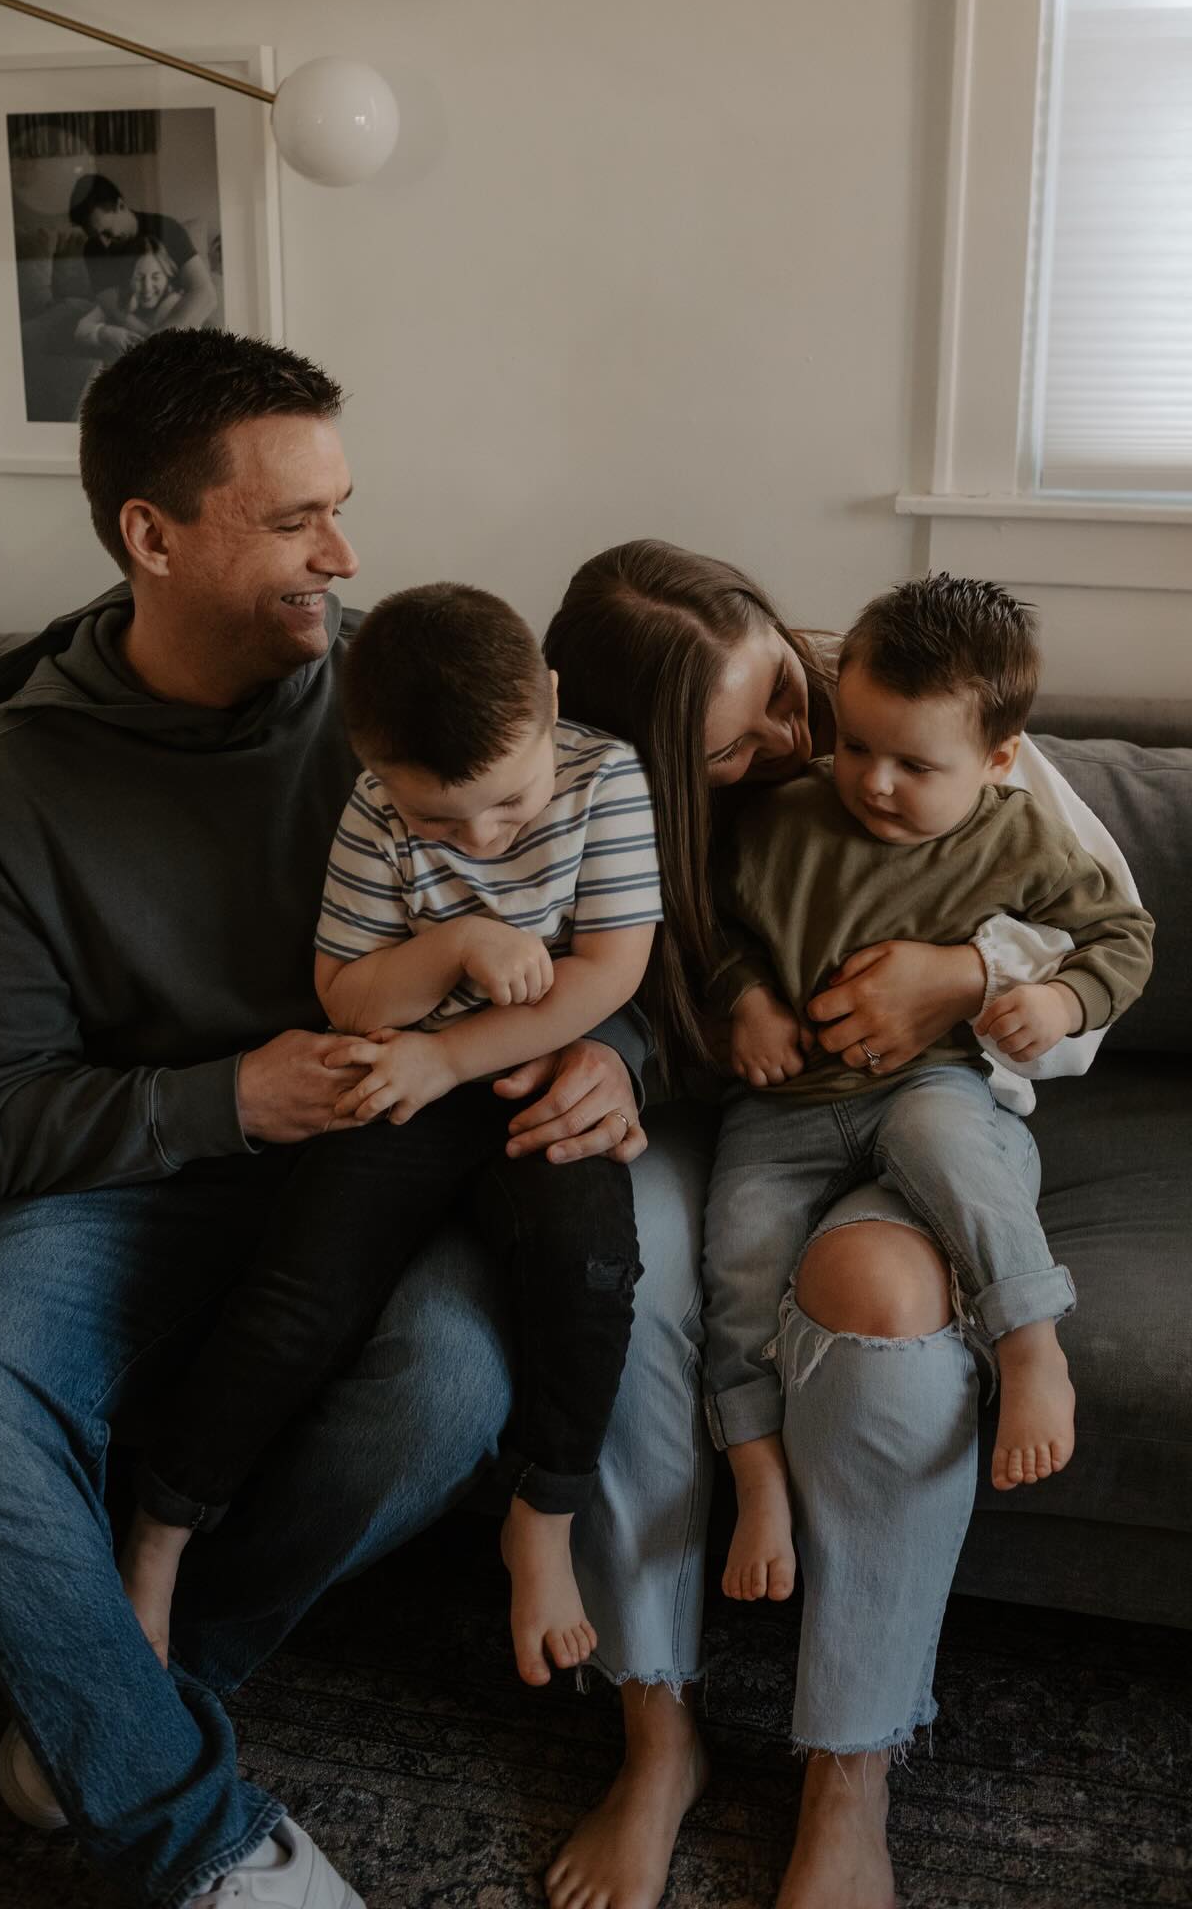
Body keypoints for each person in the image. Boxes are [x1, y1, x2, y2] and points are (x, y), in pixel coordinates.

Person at [0, 330, 649, 1909]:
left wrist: (619, 1049)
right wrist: (226, 1095)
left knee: (446, 1377)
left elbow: (587, 913)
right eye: (297, 522)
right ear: (151, 537)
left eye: (342, 508)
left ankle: (119, 1695)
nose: (345, 555)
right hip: (155, 1174)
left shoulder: (401, 707)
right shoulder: (12, 802)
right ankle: (195, 1836)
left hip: (402, 1154)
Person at [537, 540, 1143, 1909]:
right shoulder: (603, 799)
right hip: (734, 1113)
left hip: (926, 1097)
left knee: (875, 1291)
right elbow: (589, 969)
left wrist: (967, 970)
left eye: (779, 691)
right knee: (620, 1264)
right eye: (733, 744)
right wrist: (625, 1054)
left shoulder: (916, 716)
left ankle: (851, 1763)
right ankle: (657, 1729)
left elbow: (1103, 948)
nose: (797, 740)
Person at [118, 581, 661, 1688]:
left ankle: (544, 1510)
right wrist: (458, 942)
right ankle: (161, 1533)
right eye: (439, 821)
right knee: (297, 1299)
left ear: (551, 703)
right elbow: (350, 995)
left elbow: (612, 969)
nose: (484, 835)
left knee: (590, 1265)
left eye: (508, 804)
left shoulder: (607, 777)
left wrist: (455, 1053)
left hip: (529, 1077)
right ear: (374, 765)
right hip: (397, 1077)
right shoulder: (374, 807)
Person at [705, 572, 1152, 1606]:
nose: (875, 782)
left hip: (932, 1081)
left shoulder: (1020, 836)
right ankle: (755, 1470)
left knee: (952, 1152)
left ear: (1000, 761)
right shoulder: (780, 819)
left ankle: (1030, 1343)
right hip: (779, 1108)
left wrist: (1063, 999)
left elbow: (1121, 937)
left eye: (917, 764)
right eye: (856, 746)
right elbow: (709, 933)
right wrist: (743, 998)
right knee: (736, 1255)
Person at [68, 174, 217, 345]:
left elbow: (205, 293)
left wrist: (161, 340)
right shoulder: (93, 249)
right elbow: (114, 309)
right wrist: (147, 341)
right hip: (140, 334)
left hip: (177, 327)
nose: (103, 243)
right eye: (94, 235)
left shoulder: (166, 228)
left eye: (107, 232)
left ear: (120, 205)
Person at [75, 234, 188, 357]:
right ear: (127, 278)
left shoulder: (176, 304)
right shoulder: (116, 298)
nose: (147, 287)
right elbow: (81, 330)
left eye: (156, 277)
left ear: (167, 277)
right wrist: (105, 333)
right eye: (138, 278)